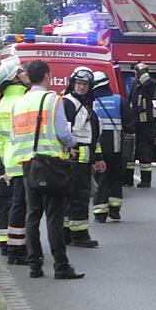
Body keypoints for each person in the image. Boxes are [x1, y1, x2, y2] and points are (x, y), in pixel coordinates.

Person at [10, 60, 85, 280]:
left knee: (32, 215)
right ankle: (61, 266)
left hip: (27, 164)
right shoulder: (52, 100)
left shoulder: (20, 102)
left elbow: (15, 135)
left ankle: (35, 266)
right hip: (51, 164)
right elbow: (63, 133)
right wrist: (72, 145)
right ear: (46, 75)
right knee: (54, 216)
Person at [0, 57, 30, 264]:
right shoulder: (23, 102)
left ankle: (4, 240)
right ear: (15, 78)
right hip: (20, 163)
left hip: (4, 161)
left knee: (5, 203)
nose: (25, 73)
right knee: (20, 206)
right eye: (22, 71)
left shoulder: (1, 104)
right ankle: (17, 245)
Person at [62, 66, 104, 248]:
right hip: (72, 159)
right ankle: (77, 235)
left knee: (79, 196)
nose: (81, 87)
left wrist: (98, 157)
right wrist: (69, 149)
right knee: (76, 197)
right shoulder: (68, 103)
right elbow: (63, 131)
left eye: (85, 84)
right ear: (72, 84)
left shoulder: (87, 105)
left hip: (85, 159)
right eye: (78, 83)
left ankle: (70, 233)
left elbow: (93, 136)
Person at [91, 70, 131, 223]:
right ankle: (115, 210)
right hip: (117, 146)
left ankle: (100, 213)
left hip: (98, 146)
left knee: (101, 177)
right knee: (115, 177)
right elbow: (129, 125)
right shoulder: (119, 100)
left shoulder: (91, 102)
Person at [129, 63, 156, 188]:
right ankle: (127, 180)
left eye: (138, 73)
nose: (136, 76)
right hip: (134, 124)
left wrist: (143, 72)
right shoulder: (135, 87)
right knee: (129, 153)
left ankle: (146, 181)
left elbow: (150, 84)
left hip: (146, 126)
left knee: (145, 154)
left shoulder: (149, 85)